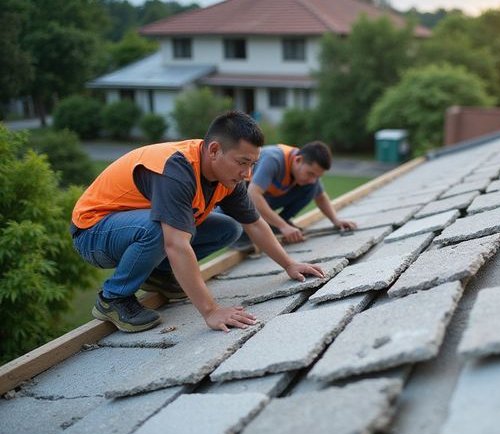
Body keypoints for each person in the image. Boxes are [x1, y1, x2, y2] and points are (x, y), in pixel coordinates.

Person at [71, 111, 324, 333]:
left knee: (228, 229)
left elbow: (254, 223)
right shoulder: (175, 170)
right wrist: (211, 311)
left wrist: (289, 264)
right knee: (161, 230)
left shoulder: (229, 179)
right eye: (242, 162)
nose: (247, 173)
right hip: (93, 232)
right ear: (214, 150)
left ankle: (159, 275)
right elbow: (176, 244)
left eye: (252, 164)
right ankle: (113, 297)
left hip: (134, 229)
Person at [241, 141, 357, 246]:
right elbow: (253, 195)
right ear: (298, 160)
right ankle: (246, 234)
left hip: (266, 200)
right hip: (241, 204)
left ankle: (274, 225)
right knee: (244, 216)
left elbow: (321, 197)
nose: (312, 179)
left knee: (312, 187)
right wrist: (284, 227)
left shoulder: (308, 171)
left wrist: (336, 220)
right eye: (310, 173)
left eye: (317, 176)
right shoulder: (273, 159)